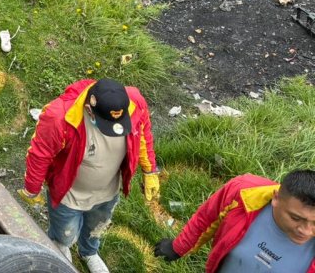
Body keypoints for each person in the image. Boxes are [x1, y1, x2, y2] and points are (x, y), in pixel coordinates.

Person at [18, 78, 160, 273]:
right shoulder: (60, 117)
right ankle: (61, 247)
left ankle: (89, 252)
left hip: (108, 191)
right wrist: (32, 188)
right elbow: (40, 154)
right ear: (89, 109)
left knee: (97, 227)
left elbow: (143, 135)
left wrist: (149, 170)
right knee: (65, 233)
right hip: (69, 195)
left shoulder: (134, 103)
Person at [154, 169, 315, 272]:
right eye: (295, 218)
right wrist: (179, 247)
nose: (306, 231)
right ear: (276, 198)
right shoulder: (245, 192)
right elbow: (207, 217)